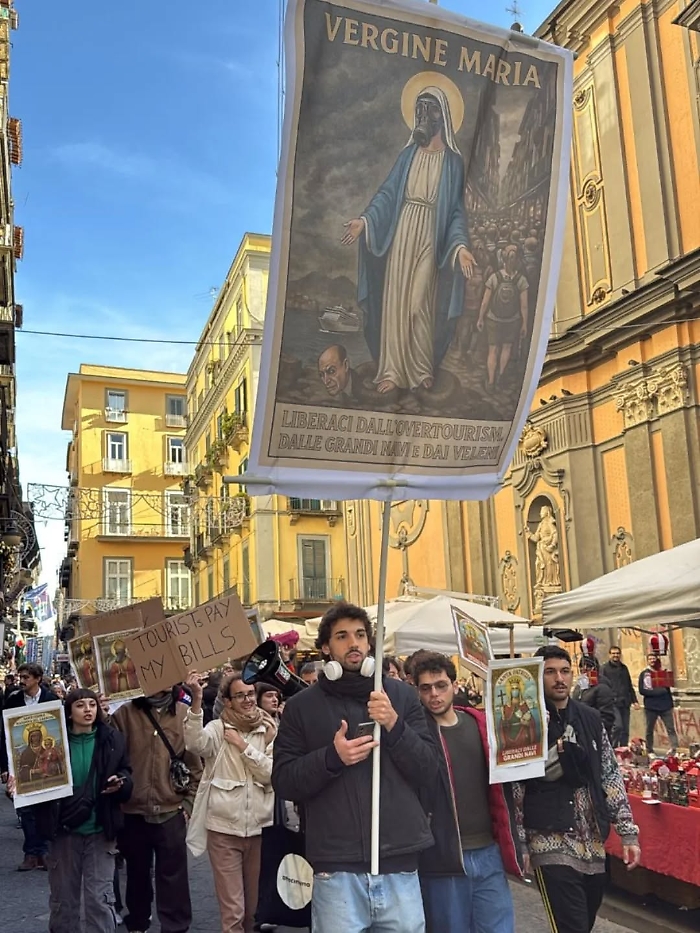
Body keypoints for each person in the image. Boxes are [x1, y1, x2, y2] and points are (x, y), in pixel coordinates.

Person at [272, 602, 438, 932]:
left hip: (398, 864)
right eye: (343, 636)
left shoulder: (402, 698)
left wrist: (395, 725)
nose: (354, 644)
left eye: (361, 635)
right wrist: (331, 758)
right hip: (336, 869)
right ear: (325, 648)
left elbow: (428, 769)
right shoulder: (302, 708)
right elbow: (285, 781)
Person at [343, 86, 474, 393]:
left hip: (430, 231)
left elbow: (455, 209)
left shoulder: (452, 162)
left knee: (418, 303)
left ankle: (419, 368)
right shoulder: (408, 155)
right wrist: (365, 221)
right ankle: (391, 371)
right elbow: (388, 194)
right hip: (403, 230)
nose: (423, 117)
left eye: (429, 111)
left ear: (441, 115)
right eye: (419, 111)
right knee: (396, 301)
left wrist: (460, 247)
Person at [514, 646, 640, 933]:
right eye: (550, 672)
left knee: (584, 923)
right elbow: (515, 786)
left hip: (593, 843)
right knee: (572, 926)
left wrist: (628, 832)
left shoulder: (590, 718)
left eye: (564, 671)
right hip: (548, 839)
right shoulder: (523, 721)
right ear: (537, 676)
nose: (559, 678)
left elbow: (609, 774)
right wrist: (519, 841)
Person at [414, 652, 518, 933]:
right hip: (444, 855)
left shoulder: (480, 724)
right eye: (426, 688)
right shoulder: (418, 734)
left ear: (455, 685)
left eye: (441, 685)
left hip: (488, 851)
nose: (434, 694)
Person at [30, 688, 133, 933]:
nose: (88, 709)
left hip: (100, 829)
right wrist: (21, 787)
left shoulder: (112, 739)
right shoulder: (55, 742)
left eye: (92, 704)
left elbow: (127, 772)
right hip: (64, 830)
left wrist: (121, 782)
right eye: (80, 705)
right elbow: (35, 779)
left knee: (100, 898)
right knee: (64, 899)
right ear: (68, 711)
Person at [184, 671, 276, 933]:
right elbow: (194, 744)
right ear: (227, 700)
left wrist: (244, 747)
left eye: (250, 694)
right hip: (224, 830)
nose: (247, 700)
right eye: (240, 695)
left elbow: (270, 773)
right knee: (233, 911)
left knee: (253, 910)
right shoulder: (217, 728)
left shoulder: (267, 728)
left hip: (259, 829)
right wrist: (196, 701)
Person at [112, 687, 202, 933]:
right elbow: (109, 750)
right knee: (137, 872)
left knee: (173, 876)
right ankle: (138, 921)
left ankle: (175, 925)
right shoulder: (124, 714)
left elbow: (196, 766)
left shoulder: (184, 714)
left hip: (171, 808)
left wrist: (188, 803)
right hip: (133, 809)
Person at [0, 662, 58, 870]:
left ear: (37, 679)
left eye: (26, 677)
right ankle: (30, 854)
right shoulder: (13, 700)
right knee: (25, 810)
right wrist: (5, 767)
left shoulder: (51, 699)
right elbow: (4, 734)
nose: (21, 681)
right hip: (21, 762)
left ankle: (44, 853)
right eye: (20, 677)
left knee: (44, 810)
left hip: (45, 763)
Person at [639, 653, 678, 755]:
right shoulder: (644, 674)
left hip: (665, 706)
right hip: (651, 707)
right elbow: (642, 690)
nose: (652, 660)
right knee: (649, 729)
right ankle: (649, 749)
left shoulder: (663, 673)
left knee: (670, 728)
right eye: (650, 659)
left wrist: (670, 703)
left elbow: (668, 689)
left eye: (654, 658)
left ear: (656, 660)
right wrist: (659, 692)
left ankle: (674, 749)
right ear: (647, 660)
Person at [572, 656, 616, 740]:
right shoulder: (579, 686)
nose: (584, 669)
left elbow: (606, 717)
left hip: (596, 735)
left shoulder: (603, 687)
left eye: (588, 666)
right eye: (581, 666)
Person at [601, 647, 638, 747]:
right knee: (618, 726)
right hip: (612, 703)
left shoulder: (624, 668)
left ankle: (623, 750)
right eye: (613, 653)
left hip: (625, 702)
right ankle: (613, 748)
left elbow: (629, 685)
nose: (615, 655)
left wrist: (635, 700)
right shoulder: (604, 668)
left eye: (617, 653)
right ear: (609, 655)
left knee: (625, 730)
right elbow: (602, 685)